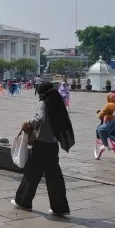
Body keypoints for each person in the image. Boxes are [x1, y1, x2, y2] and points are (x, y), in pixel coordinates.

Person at [13, 81, 74, 216]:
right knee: (55, 178)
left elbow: (39, 118)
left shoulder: (43, 103)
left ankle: (24, 202)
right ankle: (60, 208)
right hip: (53, 145)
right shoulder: (59, 103)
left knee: (32, 174)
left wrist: (28, 122)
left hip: (41, 145)